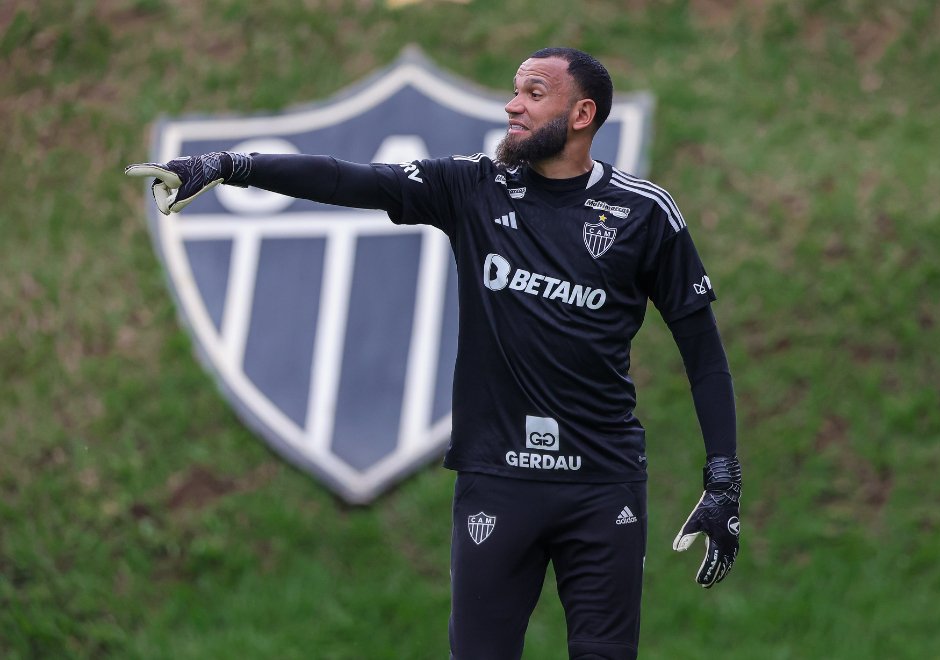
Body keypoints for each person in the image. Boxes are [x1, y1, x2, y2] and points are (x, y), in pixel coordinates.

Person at [127, 46, 743, 660]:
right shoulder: (473, 186)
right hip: (497, 480)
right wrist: (230, 164)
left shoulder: (645, 214)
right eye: (514, 90)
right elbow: (350, 179)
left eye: (533, 93)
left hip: (603, 484)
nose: (512, 105)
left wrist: (723, 480)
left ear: (582, 114)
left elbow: (703, 353)